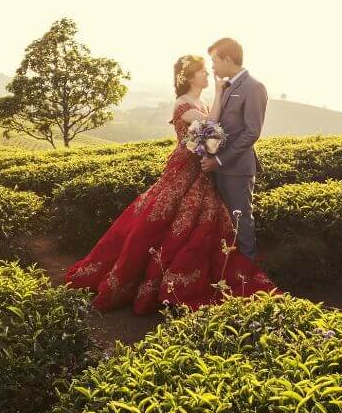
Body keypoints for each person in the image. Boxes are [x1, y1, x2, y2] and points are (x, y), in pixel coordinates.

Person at [64, 50, 275, 315]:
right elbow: (211, 127)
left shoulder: (203, 104)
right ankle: (153, 282)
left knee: (202, 221)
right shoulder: (184, 104)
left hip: (200, 170)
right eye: (201, 71)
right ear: (189, 77)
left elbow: (212, 133)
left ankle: (220, 271)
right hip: (184, 168)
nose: (207, 73)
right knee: (165, 219)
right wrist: (220, 94)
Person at [200, 37, 268, 260]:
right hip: (217, 168)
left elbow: (252, 132)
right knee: (224, 224)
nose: (213, 67)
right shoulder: (227, 86)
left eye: (215, 61)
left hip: (237, 169)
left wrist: (219, 160)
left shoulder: (254, 87)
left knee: (242, 222)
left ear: (228, 59)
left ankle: (248, 276)